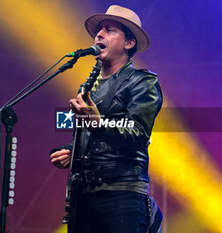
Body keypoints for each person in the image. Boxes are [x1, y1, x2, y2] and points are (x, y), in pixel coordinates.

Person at [50, 5, 163, 233]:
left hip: (122, 195)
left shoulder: (143, 83)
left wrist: (98, 124)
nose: (99, 34)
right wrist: (70, 152)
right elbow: (88, 140)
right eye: (98, 30)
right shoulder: (88, 87)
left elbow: (138, 134)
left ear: (129, 43)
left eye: (110, 30)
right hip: (84, 198)